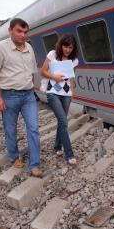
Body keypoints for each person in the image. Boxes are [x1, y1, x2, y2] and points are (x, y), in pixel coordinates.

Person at [0, 18, 42, 177]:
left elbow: (31, 71)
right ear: (10, 31)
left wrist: (33, 89)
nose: (23, 35)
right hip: (9, 96)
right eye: (19, 31)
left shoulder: (29, 47)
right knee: (10, 129)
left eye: (25, 32)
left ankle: (35, 164)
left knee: (34, 129)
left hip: (28, 95)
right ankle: (13, 156)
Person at [40, 33, 78, 165]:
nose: (68, 50)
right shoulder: (52, 55)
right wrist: (54, 76)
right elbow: (43, 71)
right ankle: (69, 154)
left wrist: (72, 91)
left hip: (66, 94)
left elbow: (72, 77)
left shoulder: (74, 61)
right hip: (53, 92)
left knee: (61, 122)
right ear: (61, 45)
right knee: (63, 121)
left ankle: (57, 147)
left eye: (70, 47)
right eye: (65, 46)